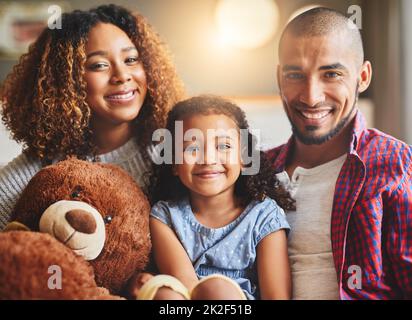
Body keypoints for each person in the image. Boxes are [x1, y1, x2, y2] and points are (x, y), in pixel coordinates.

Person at [266, 7, 412, 299]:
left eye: (331, 74)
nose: (311, 96)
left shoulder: (396, 162)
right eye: (296, 74)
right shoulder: (257, 171)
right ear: (280, 77)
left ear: (363, 76)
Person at [0, 4, 184, 230]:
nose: (122, 76)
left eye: (131, 60)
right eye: (99, 65)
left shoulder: (173, 150)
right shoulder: (37, 171)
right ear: (65, 80)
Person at [132, 95, 294, 300]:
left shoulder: (264, 216)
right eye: (192, 148)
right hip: (192, 297)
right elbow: (188, 286)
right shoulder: (164, 216)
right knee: (165, 295)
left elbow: (277, 297)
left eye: (224, 146)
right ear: (173, 162)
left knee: (217, 290)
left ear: (244, 158)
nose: (208, 158)